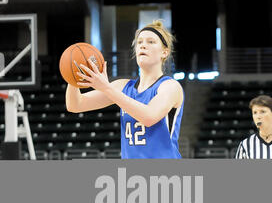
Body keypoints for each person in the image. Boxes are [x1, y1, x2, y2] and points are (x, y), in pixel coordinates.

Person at [65, 20, 184, 159]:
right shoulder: (122, 87)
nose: (143, 45)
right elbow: (75, 105)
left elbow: (149, 117)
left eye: (151, 42)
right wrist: (72, 76)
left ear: (165, 52)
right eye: (139, 42)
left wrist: (107, 88)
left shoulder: (170, 86)